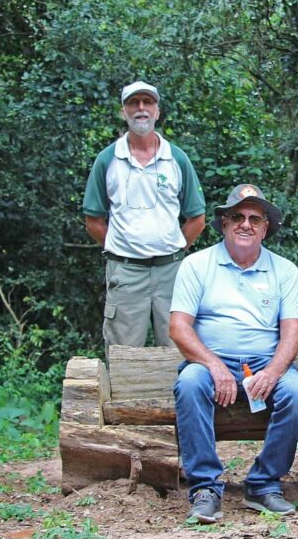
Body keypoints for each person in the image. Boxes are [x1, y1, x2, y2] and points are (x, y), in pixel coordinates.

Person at [170, 184, 298, 523]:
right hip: (208, 362)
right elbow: (179, 327)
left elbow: (293, 331)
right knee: (189, 383)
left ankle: (263, 484)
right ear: (224, 223)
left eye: (254, 218)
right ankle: (204, 488)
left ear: (266, 227)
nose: (245, 224)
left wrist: (274, 372)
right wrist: (213, 365)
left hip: (264, 362)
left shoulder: (285, 270)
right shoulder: (196, 265)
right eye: (237, 216)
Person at [83, 81, 206, 349]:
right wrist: (120, 247)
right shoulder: (108, 160)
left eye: (147, 102)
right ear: (123, 111)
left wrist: (174, 248)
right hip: (125, 272)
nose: (141, 108)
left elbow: (197, 218)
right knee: (123, 355)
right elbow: (93, 220)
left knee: (181, 352)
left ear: (157, 111)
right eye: (133, 103)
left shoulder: (176, 158)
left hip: (171, 272)